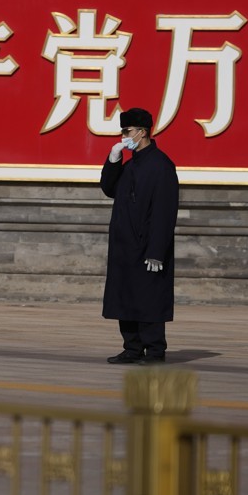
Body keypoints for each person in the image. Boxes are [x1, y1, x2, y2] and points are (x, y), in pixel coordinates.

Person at [100, 108, 179, 365]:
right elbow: (109, 189)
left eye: (127, 131)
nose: (124, 136)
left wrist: (157, 250)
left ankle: (155, 350)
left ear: (142, 132)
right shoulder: (130, 164)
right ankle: (132, 347)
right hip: (124, 245)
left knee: (149, 299)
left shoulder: (161, 166)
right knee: (126, 297)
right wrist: (113, 159)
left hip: (146, 246)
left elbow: (165, 212)